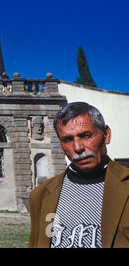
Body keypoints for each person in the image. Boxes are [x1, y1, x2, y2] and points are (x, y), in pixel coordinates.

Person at [29, 102, 129, 248]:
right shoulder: (41, 195)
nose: (78, 148)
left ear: (106, 135)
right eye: (67, 140)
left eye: (86, 135)